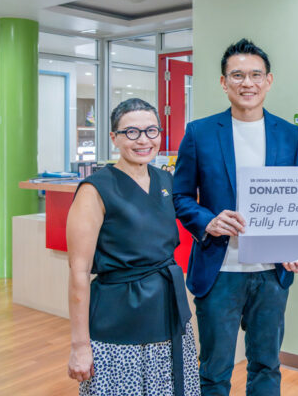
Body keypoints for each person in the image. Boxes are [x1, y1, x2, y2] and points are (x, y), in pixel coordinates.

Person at [173, 38, 298, 395]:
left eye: (255, 75)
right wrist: (207, 221)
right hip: (220, 270)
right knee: (214, 370)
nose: (247, 83)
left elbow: (297, 200)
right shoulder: (199, 133)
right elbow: (180, 196)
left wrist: (297, 245)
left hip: (271, 272)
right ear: (223, 82)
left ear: (268, 80)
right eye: (237, 75)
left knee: (266, 366)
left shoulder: (290, 135)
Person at [66, 98, 199, 396]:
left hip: (167, 311)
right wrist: (79, 345)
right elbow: (78, 272)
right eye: (131, 132)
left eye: (151, 131)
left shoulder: (166, 180)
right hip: (118, 317)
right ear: (114, 137)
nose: (143, 140)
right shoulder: (95, 189)